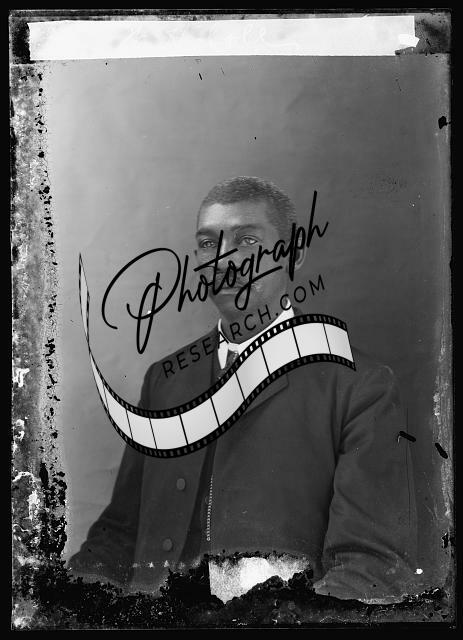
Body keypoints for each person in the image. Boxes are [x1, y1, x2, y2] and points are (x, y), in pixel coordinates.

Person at [69, 176, 417, 603]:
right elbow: (118, 537)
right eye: (207, 244)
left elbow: (371, 568)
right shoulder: (165, 380)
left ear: (294, 254)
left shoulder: (360, 386)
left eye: (247, 240)